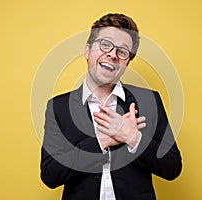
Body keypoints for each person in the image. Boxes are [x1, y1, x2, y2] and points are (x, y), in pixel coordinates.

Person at [40, 13, 182, 200]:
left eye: (122, 51)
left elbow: (172, 167)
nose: (113, 55)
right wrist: (101, 141)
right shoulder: (58, 108)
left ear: (127, 62)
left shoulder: (149, 101)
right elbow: (50, 175)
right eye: (105, 44)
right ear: (87, 51)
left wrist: (132, 138)